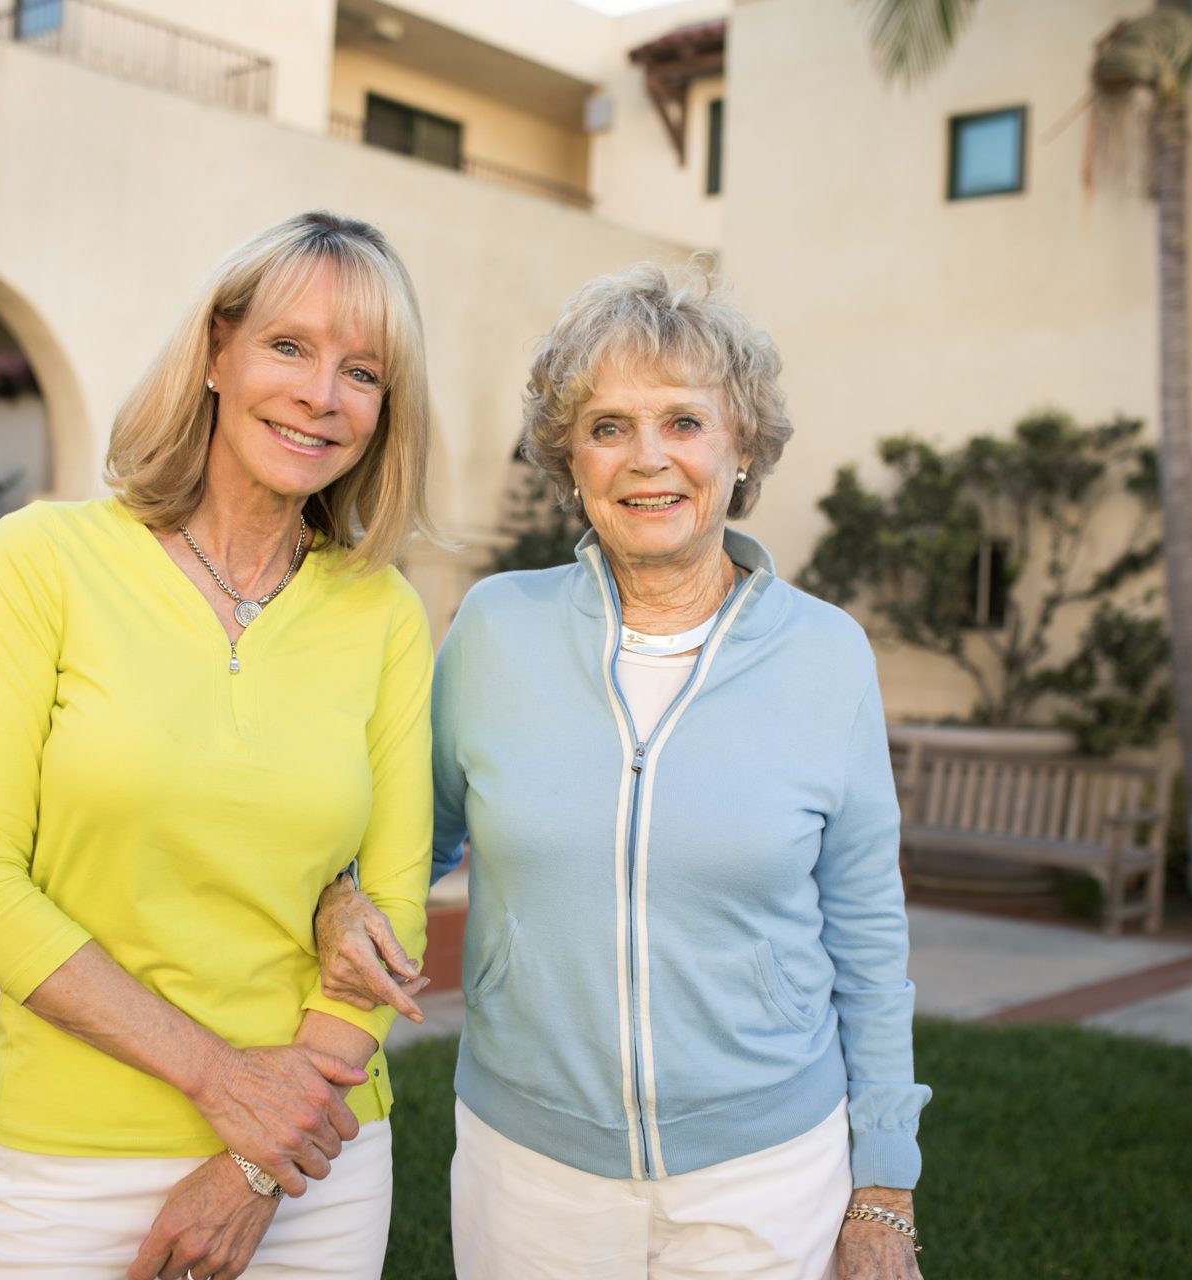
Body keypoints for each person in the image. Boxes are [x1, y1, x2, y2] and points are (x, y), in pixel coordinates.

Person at [319, 260, 930, 1279]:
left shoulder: (828, 655)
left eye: (684, 422)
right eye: (607, 426)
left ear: (743, 446)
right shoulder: (495, 629)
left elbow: (868, 931)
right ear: (571, 459)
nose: (649, 459)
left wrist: (886, 1186)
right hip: (530, 1165)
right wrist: (342, 895)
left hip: (769, 1169)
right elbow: (410, 840)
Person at [0, 210, 438, 1280]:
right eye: (289, 346)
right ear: (216, 351)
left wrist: (254, 1163)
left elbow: (389, 917)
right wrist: (220, 1080)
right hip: (73, 1149)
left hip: (314, 1163)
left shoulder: (383, 609)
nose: (321, 395)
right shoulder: (44, 559)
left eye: (363, 371)